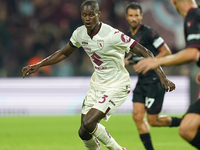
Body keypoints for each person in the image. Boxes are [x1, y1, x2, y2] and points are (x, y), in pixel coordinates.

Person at [22, 0, 175, 149]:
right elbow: (63, 53)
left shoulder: (112, 34)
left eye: (91, 14)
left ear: (98, 14)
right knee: (83, 132)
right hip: (97, 85)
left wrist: (163, 77)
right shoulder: (80, 33)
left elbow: (145, 51)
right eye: (84, 15)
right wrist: (39, 64)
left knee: (89, 123)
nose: (87, 18)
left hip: (117, 85)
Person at [133, 0, 200, 149]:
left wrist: (157, 62)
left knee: (187, 128)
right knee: (188, 127)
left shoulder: (193, 16)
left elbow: (192, 53)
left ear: (174, 2)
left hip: (153, 81)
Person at [124, 2, 182, 150]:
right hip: (142, 80)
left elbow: (166, 52)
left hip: (154, 79)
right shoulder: (128, 36)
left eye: (136, 15)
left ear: (141, 16)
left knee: (154, 121)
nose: (133, 18)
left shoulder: (149, 32)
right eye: (131, 15)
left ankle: (186, 121)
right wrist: (127, 61)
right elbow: (138, 58)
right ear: (127, 17)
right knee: (137, 116)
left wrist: (149, 62)